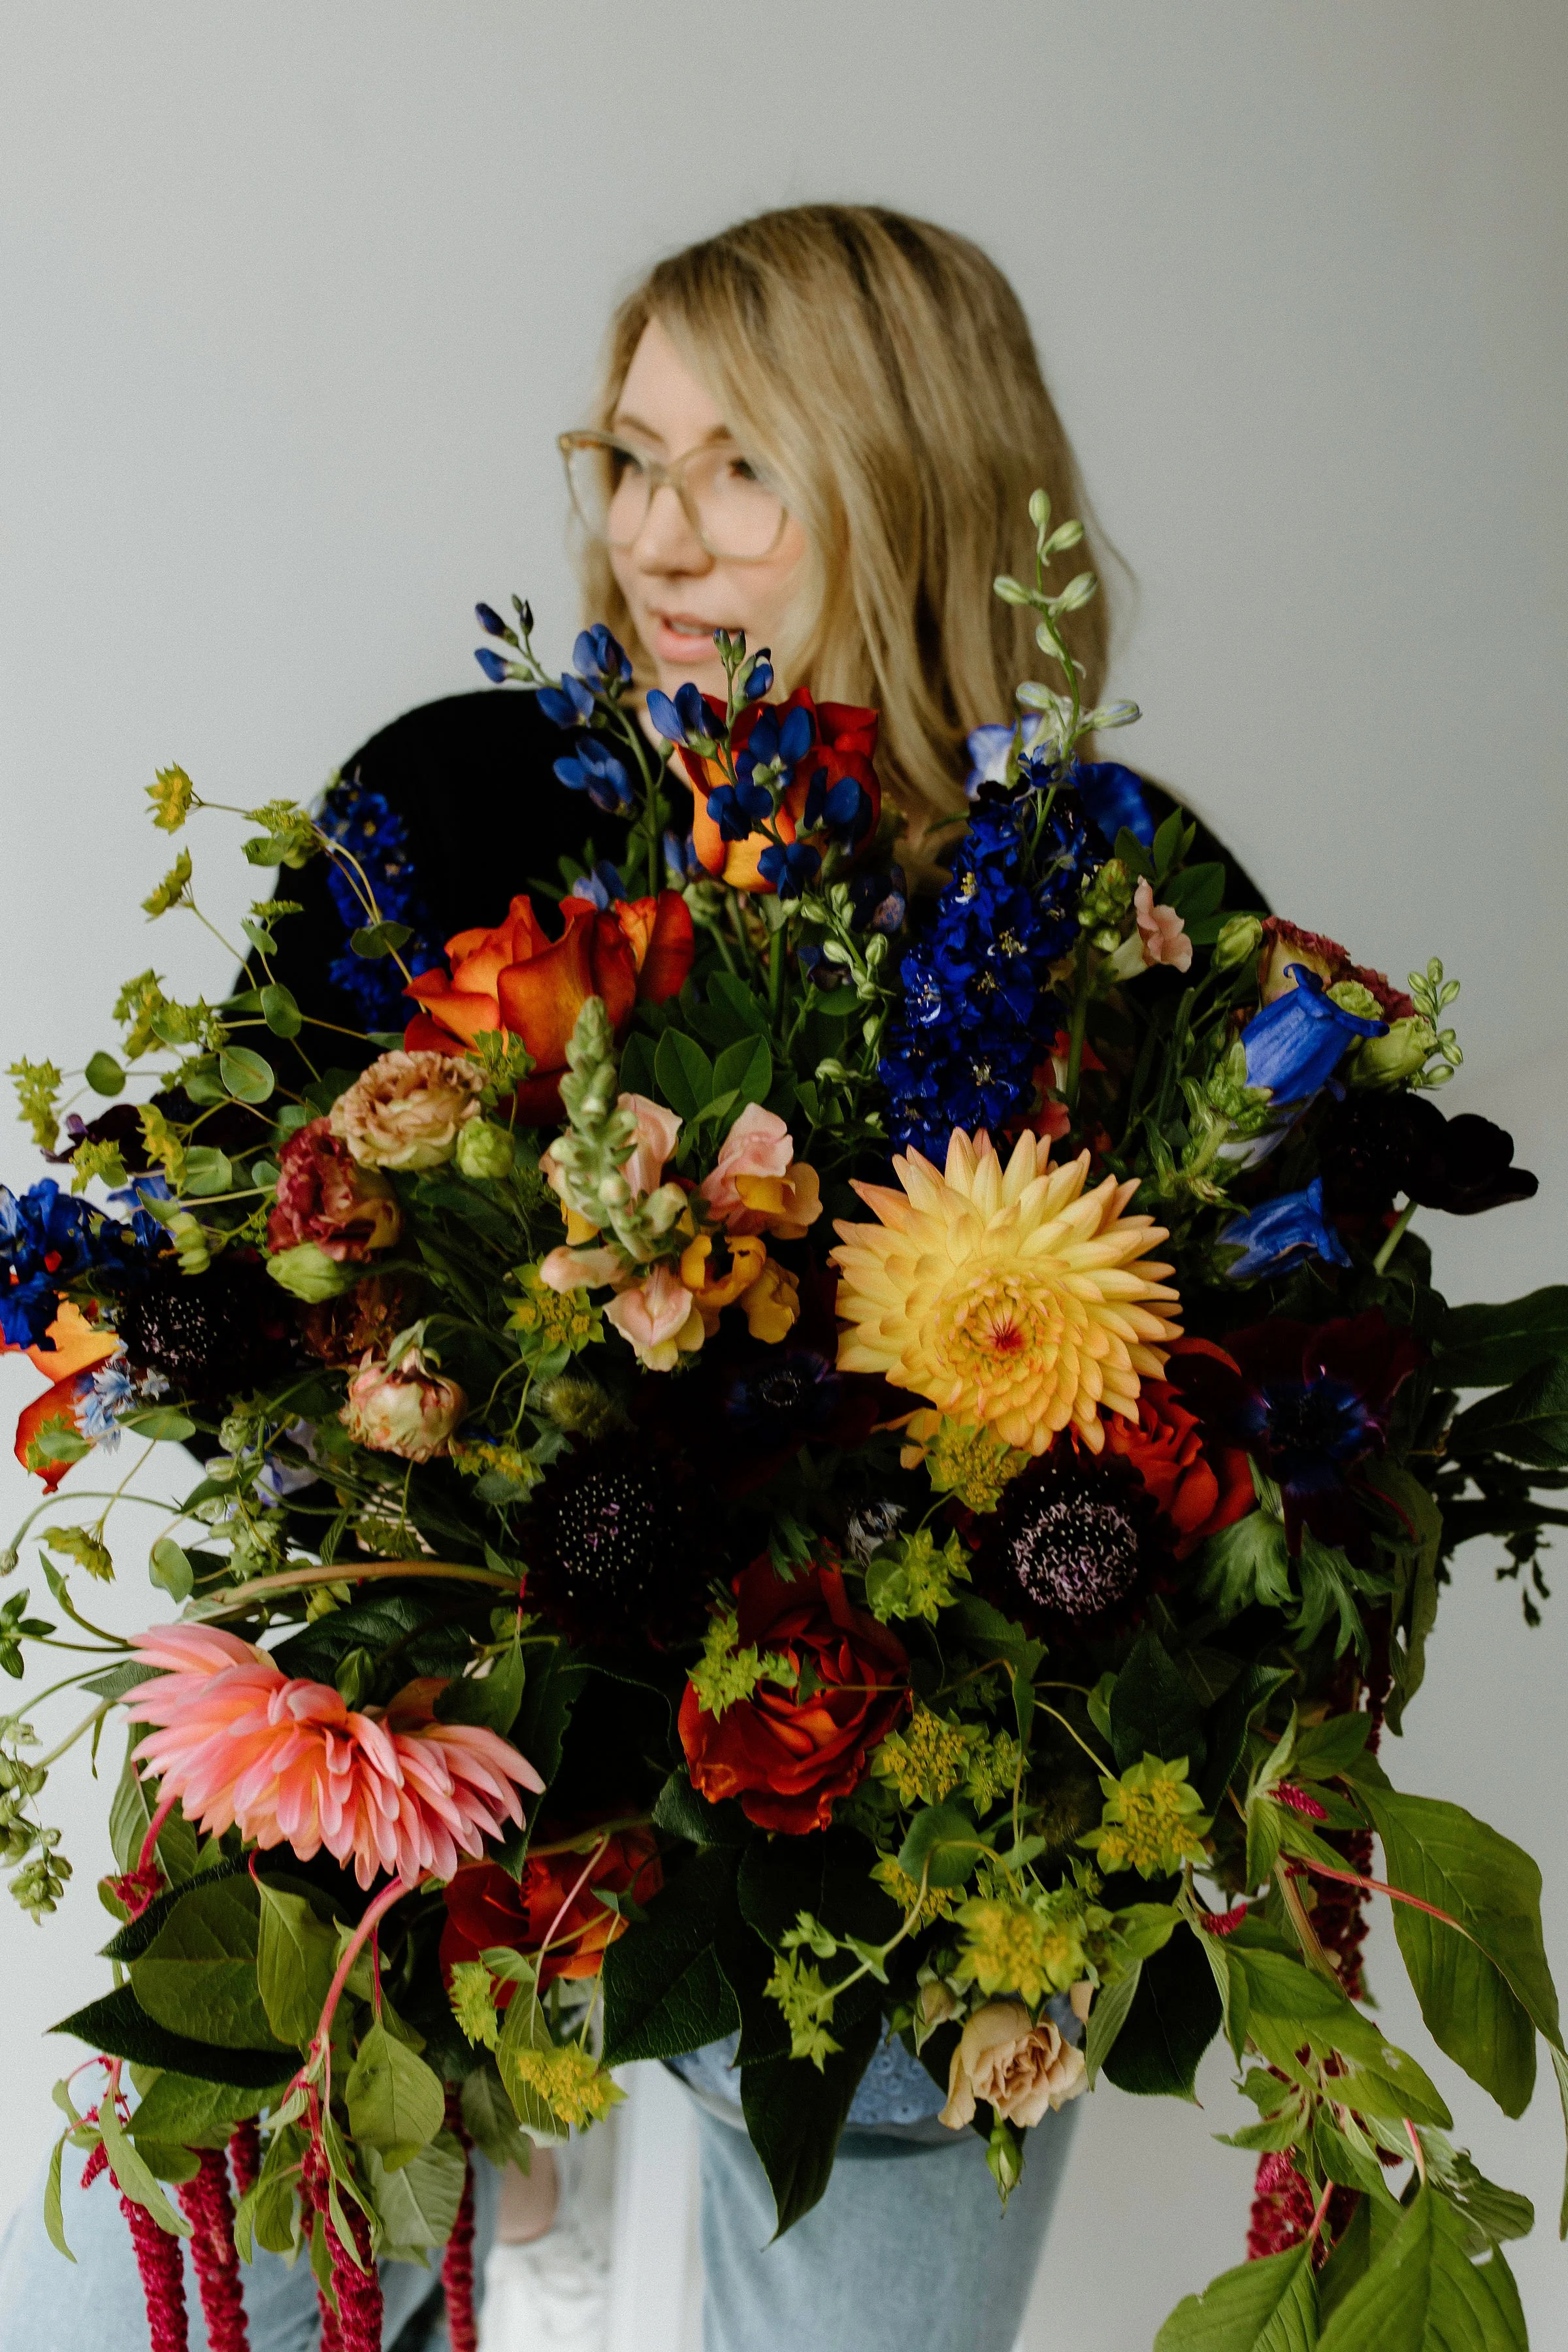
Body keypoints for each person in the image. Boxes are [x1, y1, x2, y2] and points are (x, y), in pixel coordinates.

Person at [0, 203, 1264, 2352]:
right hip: (426, 1739)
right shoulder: (463, 790)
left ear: (919, 482)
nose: (659, 539)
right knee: (194, 2283)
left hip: (877, 1812)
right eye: (629, 457)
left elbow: (1236, 1393)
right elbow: (236, 1219)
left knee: (891, 2195)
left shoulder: (1101, 889)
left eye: (744, 465)